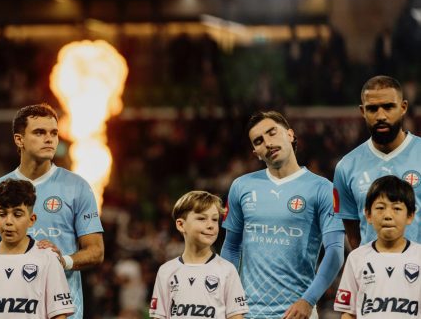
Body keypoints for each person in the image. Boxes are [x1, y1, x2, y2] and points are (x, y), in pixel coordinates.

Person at [0, 103, 104, 318]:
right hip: (11, 311)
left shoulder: (77, 187)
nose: (49, 139)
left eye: (54, 133)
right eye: (39, 132)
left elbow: (96, 251)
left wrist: (63, 261)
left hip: (65, 311)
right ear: (19, 140)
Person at [221, 111, 345, 319]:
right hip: (247, 313)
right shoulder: (241, 186)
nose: (267, 143)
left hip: (298, 312)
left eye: (272, 133)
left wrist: (309, 300)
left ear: (290, 135)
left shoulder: (322, 188)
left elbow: (335, 251)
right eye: (259, 141)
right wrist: (231, 302)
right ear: (256, 153)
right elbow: (231, 247)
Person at [0, 178, 75, 318]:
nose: (9, 222)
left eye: (17, 214)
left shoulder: (48, 258)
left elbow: (59, 315)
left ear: (31, 220)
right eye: (2, 214)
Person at [333, 75, 421, 249]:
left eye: (388, 107)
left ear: (403, 107)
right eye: (373, 109)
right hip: (372, 274)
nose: (381, 115)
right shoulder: (346, 167)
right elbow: (353, 235)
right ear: (362, 111)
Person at [150, 190, 248, 319]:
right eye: (202, 218)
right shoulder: (166, 271)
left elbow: (235, 316)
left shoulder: (227, 270)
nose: (210, 225)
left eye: (214, 220)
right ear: (180, 224)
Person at [333, 175, 421, 318]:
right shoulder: (356, 258)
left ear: (410, 215)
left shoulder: (419, 256)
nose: (388, 215)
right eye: (380, 208)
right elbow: (348, 313)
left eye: (397, 208)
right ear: (368, 214)